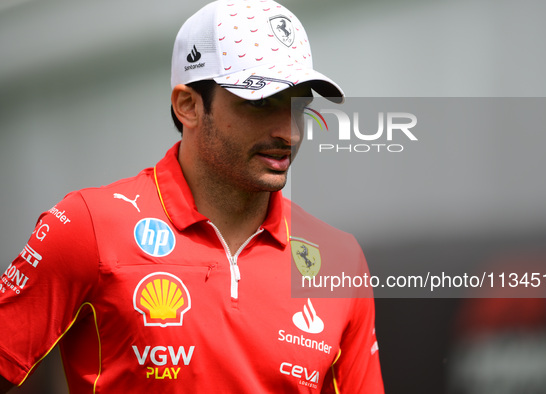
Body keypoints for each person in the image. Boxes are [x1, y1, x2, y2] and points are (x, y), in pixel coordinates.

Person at [0, 0, 384, 392]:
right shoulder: (89, 226)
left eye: (298, 105)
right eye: (262, 102)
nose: (291, 133)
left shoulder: (340, 260)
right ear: (188, 106)